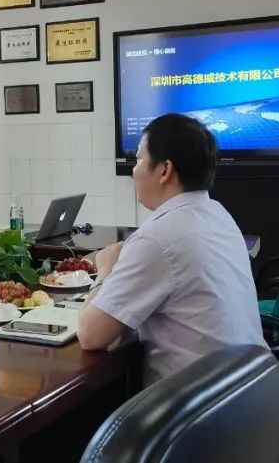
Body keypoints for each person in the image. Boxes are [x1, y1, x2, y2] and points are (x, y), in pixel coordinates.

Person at [77, 114, 266, 386]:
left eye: (138, 159)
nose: (133, 170)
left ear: (164, 170)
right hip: (250, 388)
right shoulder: (217, 213)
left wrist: (106, 271)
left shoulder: (157, 238)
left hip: (197, 404)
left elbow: (90, 335)